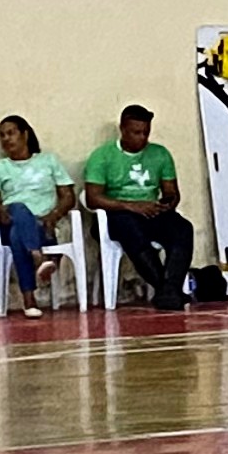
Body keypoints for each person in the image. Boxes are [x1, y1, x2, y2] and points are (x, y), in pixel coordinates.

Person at [77, 103, 193, 311]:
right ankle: (168, 291)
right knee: (130, 229)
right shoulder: (102, 156)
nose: (142, 138)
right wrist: (131, 206)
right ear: (122, 129)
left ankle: (168, 291)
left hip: (151, 212)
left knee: (183, 229)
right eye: (136, 133)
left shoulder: (160, 154)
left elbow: (171, 192)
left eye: (146, 132)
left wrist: (167, 203)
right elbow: (93, 199)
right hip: (117, 214)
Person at [0, 115, 70, 314]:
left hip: (45, 226)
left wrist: (53, 216)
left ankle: (29, 299)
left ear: (25, 135)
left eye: (11, 133)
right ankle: (37, 256)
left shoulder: (48, 161)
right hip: (10, 219)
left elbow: (69, 197)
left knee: (17, 236)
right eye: (2, 135)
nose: (6, 139)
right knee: (18, 208)